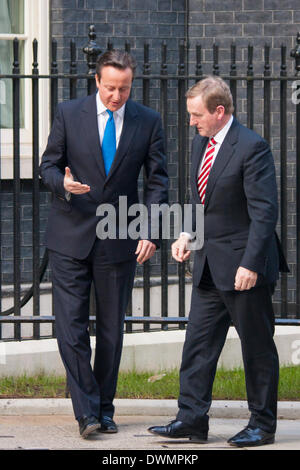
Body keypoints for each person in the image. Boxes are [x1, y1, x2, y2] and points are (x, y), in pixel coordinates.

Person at [148, 76, 289, 447]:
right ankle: (191, 419)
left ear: (219, 111)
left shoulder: (251, 147)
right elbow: (202, 202)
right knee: (197, 343)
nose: (191, 122)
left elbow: (264, 213)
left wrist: (251, 264)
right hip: (209, 265)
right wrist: (185, 236)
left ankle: (262, 425)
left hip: (245, 268)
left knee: (256, 347)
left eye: (196, 115)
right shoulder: (202, 144)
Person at [40, 50, 168, 438]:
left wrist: (150, 229)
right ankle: (87, 412)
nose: (117, 96)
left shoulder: (148, 121)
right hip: (70, 236)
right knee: (70, 329)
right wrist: (61, 184)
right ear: (97, 82)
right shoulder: (68, 112)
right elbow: (47, 165)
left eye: (124, 88)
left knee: (112, 331)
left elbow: (158, 181)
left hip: (120, 239)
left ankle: (104, 408)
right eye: (111, 88)